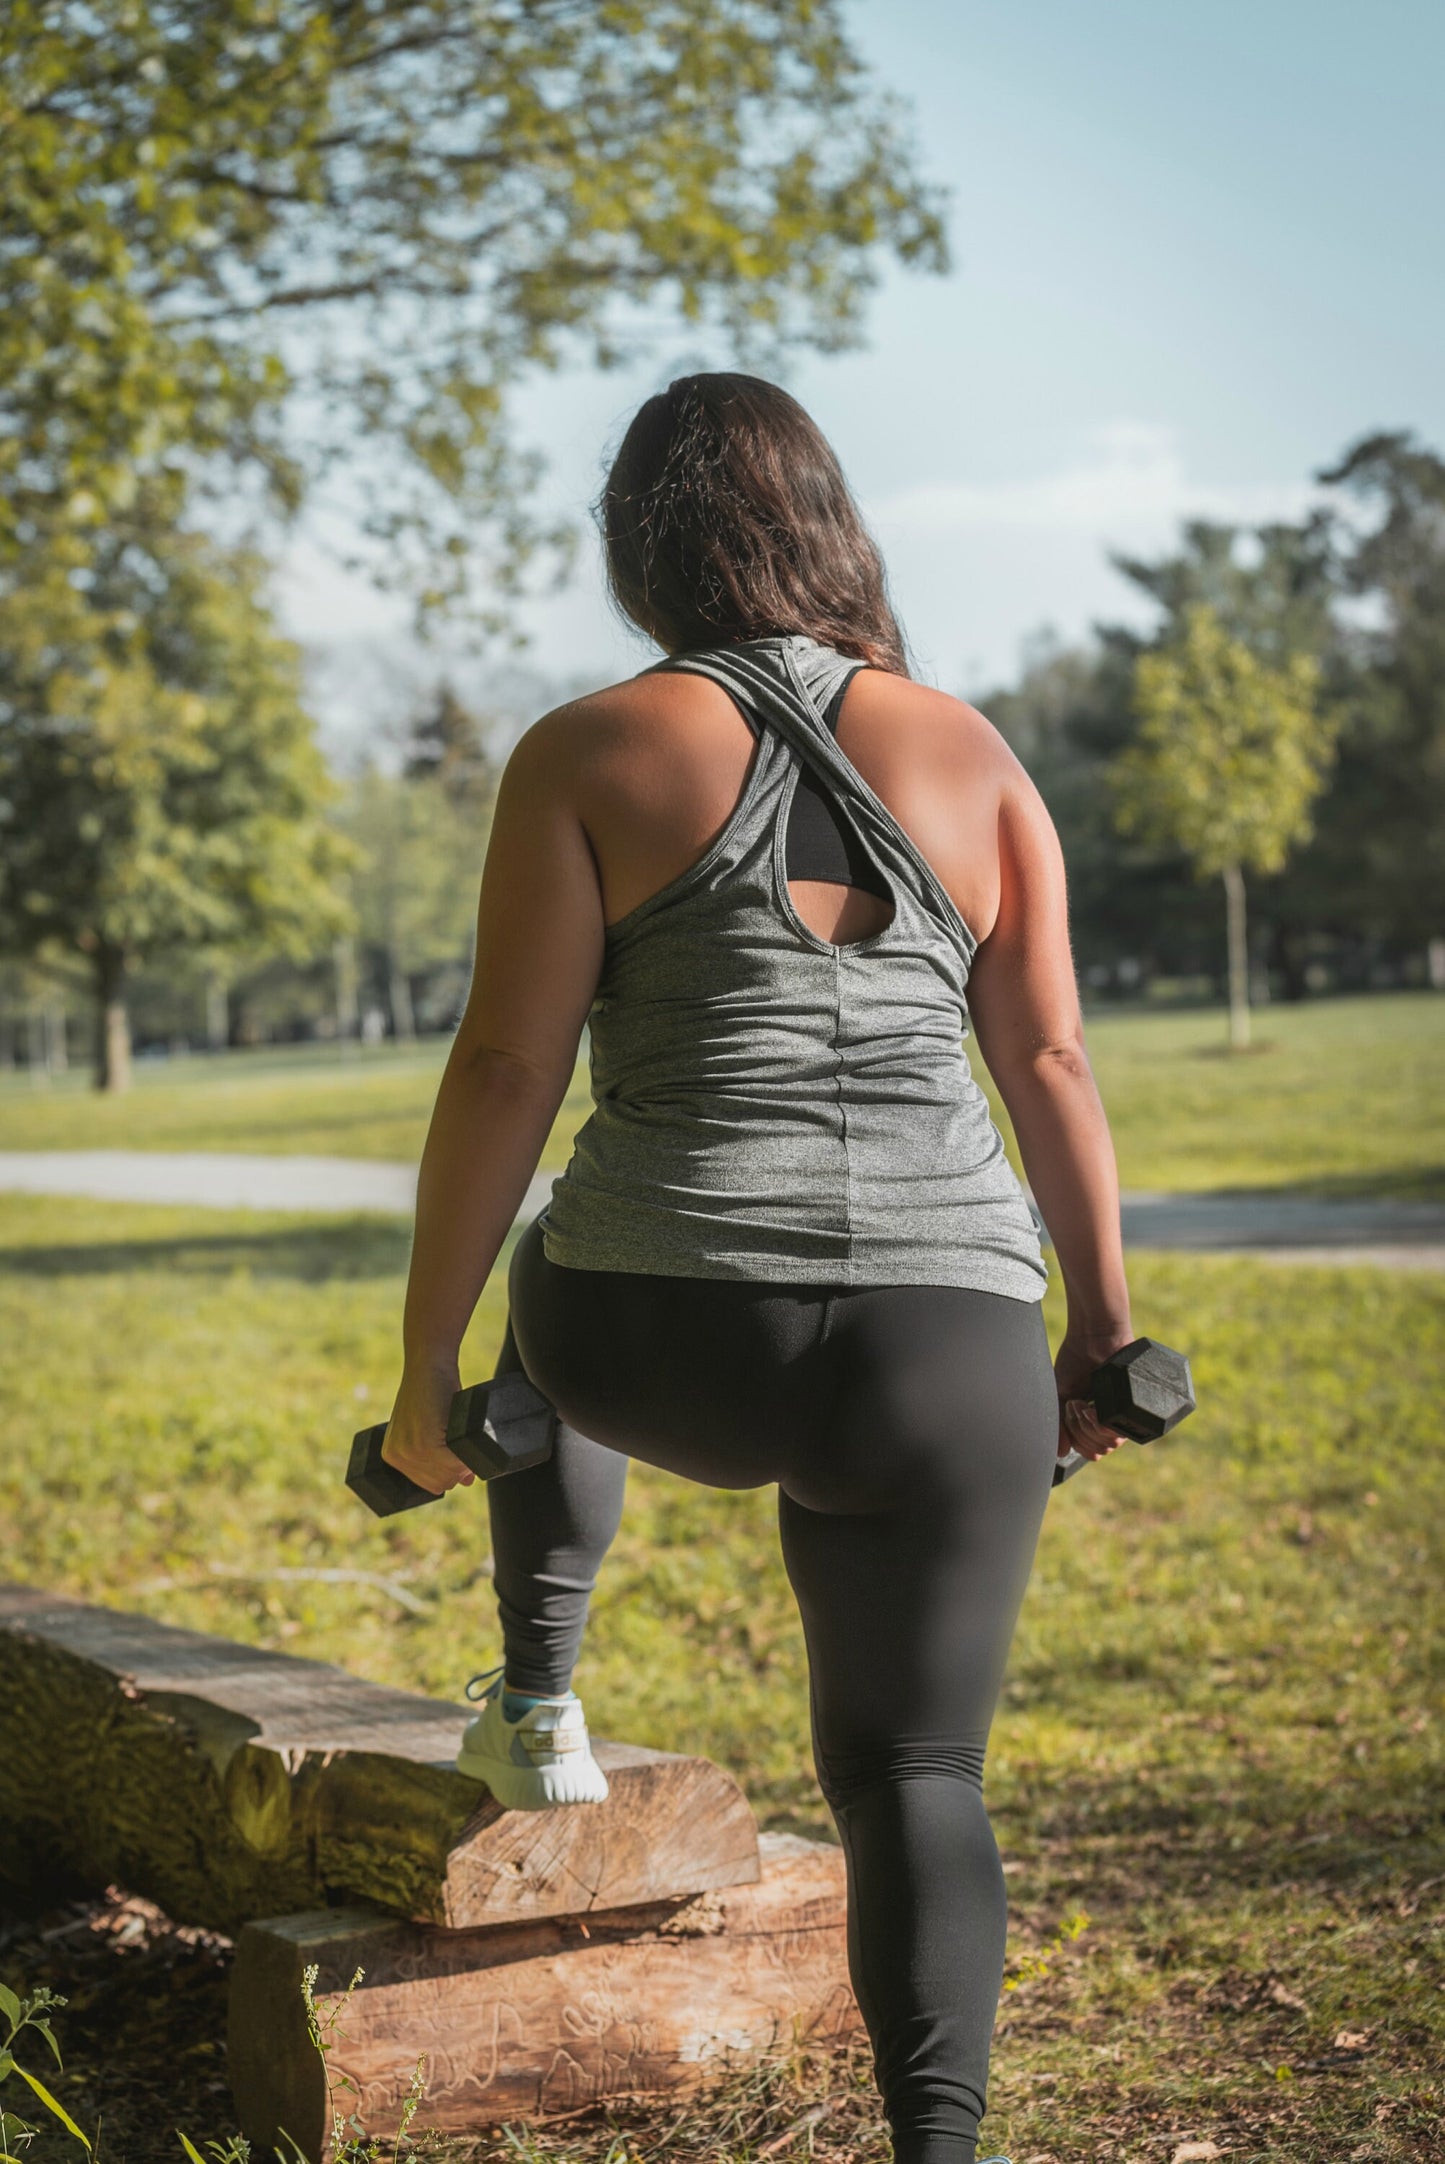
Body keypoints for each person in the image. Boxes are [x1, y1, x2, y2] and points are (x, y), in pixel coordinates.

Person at [381, 373, 1135, 2164]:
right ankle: (936, 2151)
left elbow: (506, 1067)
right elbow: (1047, 1066)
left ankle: (536, 1693)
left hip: (656, 1341)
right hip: (947, 1351)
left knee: (559, 1246)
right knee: (916, 1777)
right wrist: (1100, 1343)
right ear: (833, 526)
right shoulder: (974, 752)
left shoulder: (587, 749)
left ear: (640, 549)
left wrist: (427, 1387)